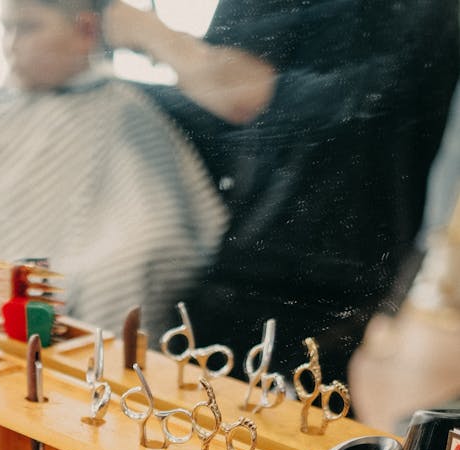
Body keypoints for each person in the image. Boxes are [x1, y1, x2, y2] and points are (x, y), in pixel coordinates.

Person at [102, 0, 460, 381]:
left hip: (271, 272)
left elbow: (241, 90)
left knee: (212, 416)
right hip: (368, 270)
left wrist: (140, 30)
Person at [0, 0, 227, 349]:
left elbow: (154, 238)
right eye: (7, 28)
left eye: (28, 28)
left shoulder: (123, 114)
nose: (11, 46)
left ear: (85, 30)